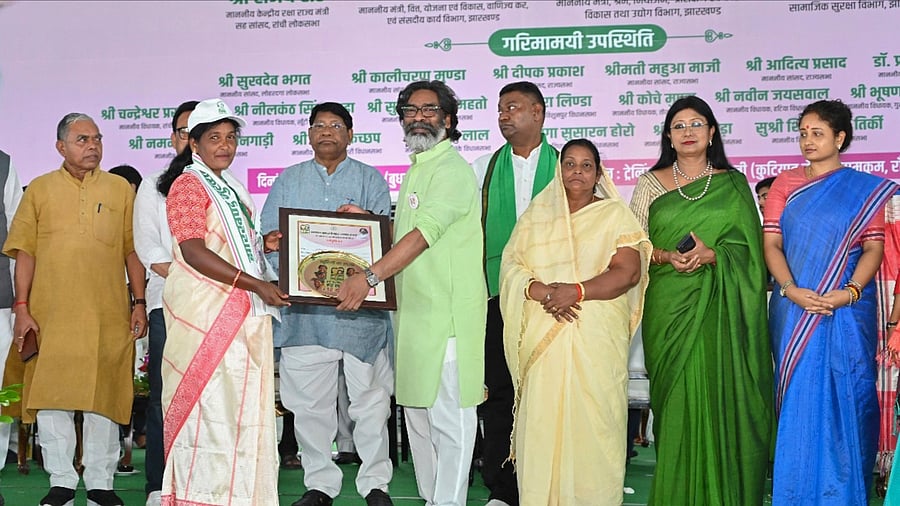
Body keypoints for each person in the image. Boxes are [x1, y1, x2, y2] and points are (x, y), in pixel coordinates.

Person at [336, 80, 487, 506]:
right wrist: (369, 224)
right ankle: (432, 498)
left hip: (448, 321)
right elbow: (406, 232)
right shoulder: (419, 167)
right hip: (415, 319)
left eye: (429, 109)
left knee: (451, 423)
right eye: (410, 110)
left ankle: (449, 502)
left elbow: (423, 236)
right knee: (419, 420)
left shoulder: (453, 170)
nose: (419, 117)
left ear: (449, 119)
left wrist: (366, 278)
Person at [629, 96, 773, 505]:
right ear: (669, 137)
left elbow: (750, 253)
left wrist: (715, 255)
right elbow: (633, 245)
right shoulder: (650, 183)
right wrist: (666, 256)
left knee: (720, 402)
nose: (688, 131)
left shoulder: (733, 184)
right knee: (674, 409)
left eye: (696, 124)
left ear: (711, 132)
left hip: (720, 314)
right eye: (679, 125)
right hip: (670, 309)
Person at [3, 113, 148, 506]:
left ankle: (101, 483)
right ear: (60, 147)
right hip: (50, 312)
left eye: (97, 138)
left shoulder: (121, 189)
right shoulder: (40, 190)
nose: (93, 146)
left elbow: (132, 251)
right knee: (52, 399)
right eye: (82, 139)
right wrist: (22, 306)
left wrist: (139, 302)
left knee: (103, 398)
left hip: (108, 313)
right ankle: (62, 481)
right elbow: (25, 252)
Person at [500, 139, 650, 504]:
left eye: (586, 165)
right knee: (543, 429)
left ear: (598, 173)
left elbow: (627, 272)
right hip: (544, 335)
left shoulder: (614, 214)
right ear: (559, 169)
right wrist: (543, 292)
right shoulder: (537, 217)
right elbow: (511, 268)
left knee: (594, 429)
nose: (577, 172)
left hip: (595, 340)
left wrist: (577, 291)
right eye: (570, 164)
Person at [260, 101, 394, 506]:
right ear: (309, 133)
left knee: (371, 406)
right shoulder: (288, 180)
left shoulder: (371, 179)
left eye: (336, 125)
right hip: (305, 316)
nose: (326, 132)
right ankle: (319, 484)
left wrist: (366, 219)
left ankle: (376, 485)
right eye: (318, 125)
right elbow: (267, 237)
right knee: (309, 408)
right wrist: (270, 244)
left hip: (360, 312)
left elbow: (387, 241)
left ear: (350, 135)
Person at [764, 99, 898, 504]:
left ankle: (842, 494)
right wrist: (790, 289)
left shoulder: (866, 190)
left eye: (817, 133)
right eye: (803, 133)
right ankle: (794, 491)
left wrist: (849, 292)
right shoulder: (785, 184)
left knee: (847, 397)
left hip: (847, 309)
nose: (807, 141)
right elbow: (772, 244)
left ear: (840, 138)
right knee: (800, 402)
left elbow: (873, 249)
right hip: (794, 308)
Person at [157, 98, 289, 505]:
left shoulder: (230, 184)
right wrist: (256, 284)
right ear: (193, 143)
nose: (225, 145)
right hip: (205, 317)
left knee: (238, 416)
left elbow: (227, 243)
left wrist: (261, 245)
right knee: (207, 416)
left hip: (239, 315)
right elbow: (194, 251)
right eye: (214, 137)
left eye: (231, 137)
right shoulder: (187, 184)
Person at [470, 81, 556, 506]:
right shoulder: (484, 168)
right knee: (501, 393)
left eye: (514, 107)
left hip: (557, 300)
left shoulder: (569, 166)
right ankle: (504, 489)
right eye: (501, 109)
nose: (504, 115)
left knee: (552, 393)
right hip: (498, 299)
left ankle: (550, 484)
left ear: (538, 113)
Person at [132, 99, 197, 506]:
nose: (191, 140)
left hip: (219, 310)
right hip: (168, 307)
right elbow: (151, 251)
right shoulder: (155, 183)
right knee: (163, 397)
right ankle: (159, 483)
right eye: (183, 132)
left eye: (200, 131)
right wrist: (200, 283)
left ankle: (203, 480)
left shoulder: (229, 184)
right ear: (173, 137)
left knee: (210, 397)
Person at [0, 149, 23, 506]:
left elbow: (20, 237)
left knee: (1, 393)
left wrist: (23, 301)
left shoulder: (3, 164)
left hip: (0, 301)